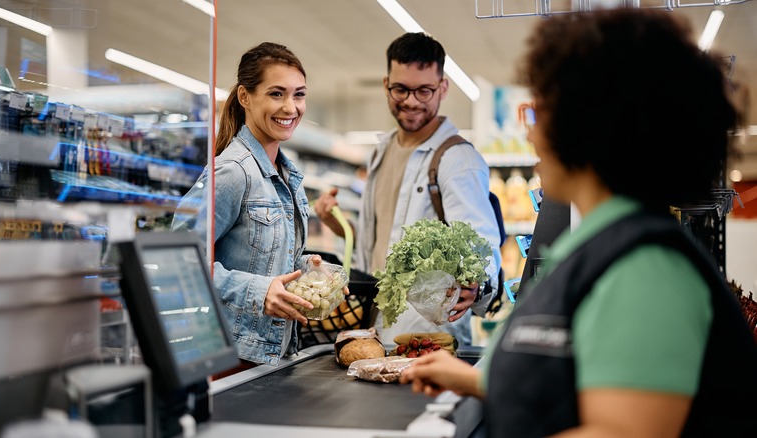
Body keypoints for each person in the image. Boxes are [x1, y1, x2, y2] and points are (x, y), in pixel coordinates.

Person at [400, 8, 757, 437]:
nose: (530, 132)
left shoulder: (647, 268)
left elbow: (621, 432)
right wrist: (477, 380)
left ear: (591, 126)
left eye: (542, 111)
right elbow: (576, 376)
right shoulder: (598, 244)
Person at [314, 32, 503, 346]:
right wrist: (340, 226)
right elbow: (385, 245)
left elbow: (481, 245)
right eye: (401, 89)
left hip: (427, 336)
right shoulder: (382, 150)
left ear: (443, 88)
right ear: (386, 84)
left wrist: (476, 285)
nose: (411, 101)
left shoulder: (457, 160)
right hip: (373, 327)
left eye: (424, 91)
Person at [172, 42, 329, 368]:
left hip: (270, 358)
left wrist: (306, 268)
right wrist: (259, 291)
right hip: (230, 358)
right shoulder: (232, 171)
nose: (290, 107)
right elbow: (178, 261)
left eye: (299, 94)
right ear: (245, 96)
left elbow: (258, 258)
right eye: (276, 94)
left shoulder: (286, 174)